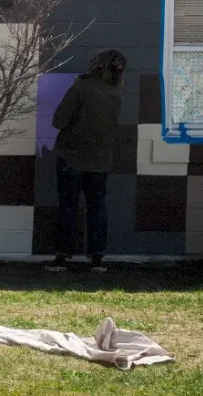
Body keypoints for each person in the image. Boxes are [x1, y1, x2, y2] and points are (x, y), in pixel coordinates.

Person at [47, 48, 127, 273]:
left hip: (71, 158)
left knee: (68, 207)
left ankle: (62, 258)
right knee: (97, 207)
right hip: (101, 160)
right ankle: (97, 259)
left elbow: (59, 120)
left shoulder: (82, 87)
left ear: (96, 64)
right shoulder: (116, 93)